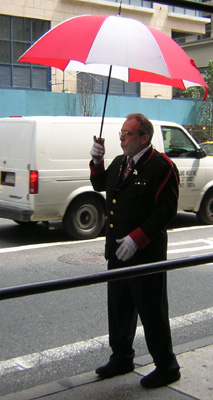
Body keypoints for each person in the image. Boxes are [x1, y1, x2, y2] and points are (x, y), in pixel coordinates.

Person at [89, 113, 180, 389]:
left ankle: (167, 366)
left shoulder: (162, 167)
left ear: (144, 138)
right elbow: (100, 185)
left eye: (127, 134)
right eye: (121, 133)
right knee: (119, 307)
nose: (121, 139)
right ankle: (121, 357)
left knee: (152, 311)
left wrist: (137, 239)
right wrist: (96, 161)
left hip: (145, 255)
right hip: (117, 251)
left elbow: (166, 210)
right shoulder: (120, 162)